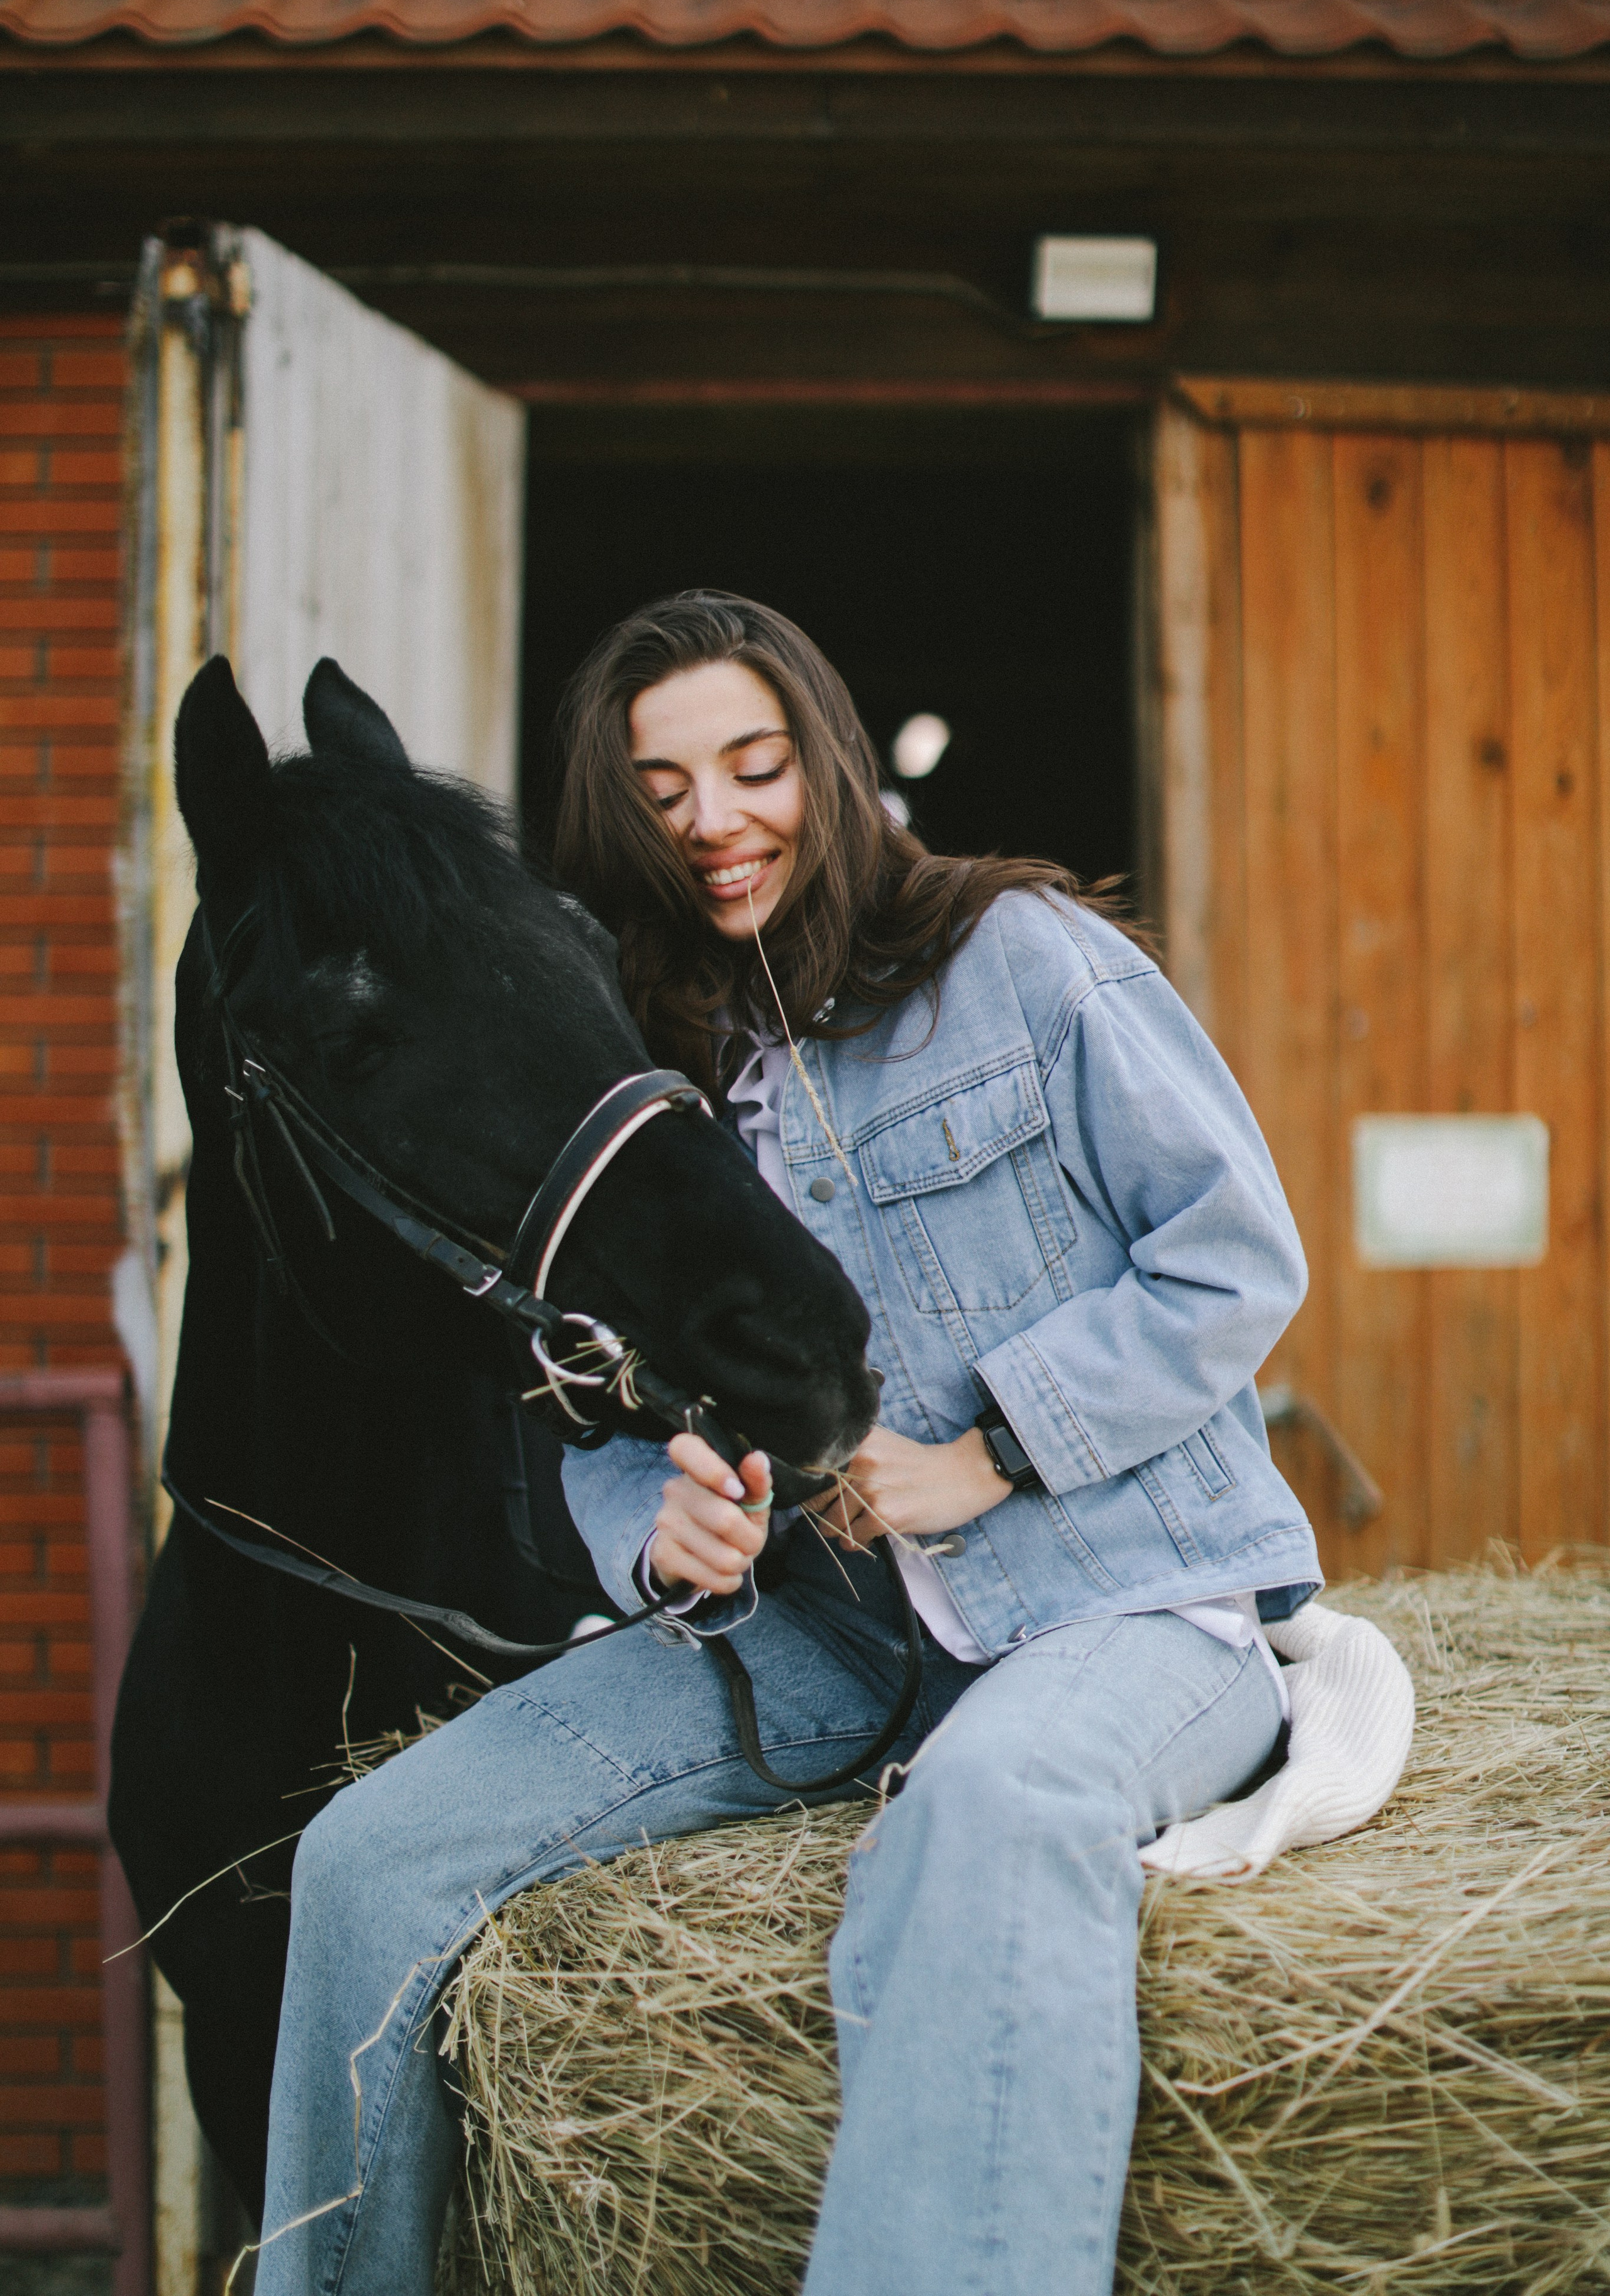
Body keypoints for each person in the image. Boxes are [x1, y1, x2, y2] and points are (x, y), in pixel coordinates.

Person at [253, 590, 1321, 2296]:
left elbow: (1236, 1255)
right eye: (663, 793)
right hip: (820, 1639)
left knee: (993, 1802)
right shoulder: (647, 1061)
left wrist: (999, 1451)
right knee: (367, 1857)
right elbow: (591, 1399)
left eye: (752, 767)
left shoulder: (1022, 958)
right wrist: (648, 1530)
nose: (715, 824)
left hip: (1124, 1600)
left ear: (822, 759)